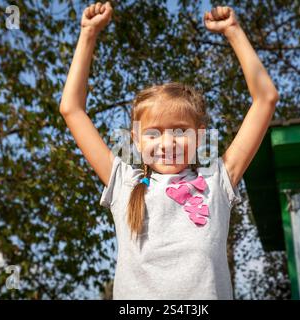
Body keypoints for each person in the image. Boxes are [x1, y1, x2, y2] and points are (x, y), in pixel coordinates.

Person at [59, 1, 279, 299]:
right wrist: (88, 34)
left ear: (200, 138)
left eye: (180, 131)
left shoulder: (217, 179)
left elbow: (265, 98)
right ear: (136, 140)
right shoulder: (125, 182)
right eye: (153, 134)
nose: (168, 143)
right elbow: (71, 109)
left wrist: (233, 31)